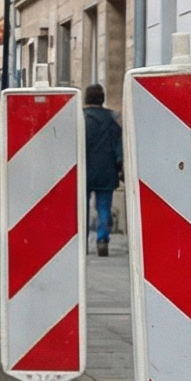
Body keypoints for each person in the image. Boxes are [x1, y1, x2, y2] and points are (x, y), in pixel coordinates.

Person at [82, 84, 122, 256]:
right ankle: (102, 240)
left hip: (84, 171)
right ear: (102, 99)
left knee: (81, 208)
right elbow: (118, 148)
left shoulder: (80, 118)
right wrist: (120, 167)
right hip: (107, 170)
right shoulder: (112, 119)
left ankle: (81, 240)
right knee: (104, 207)